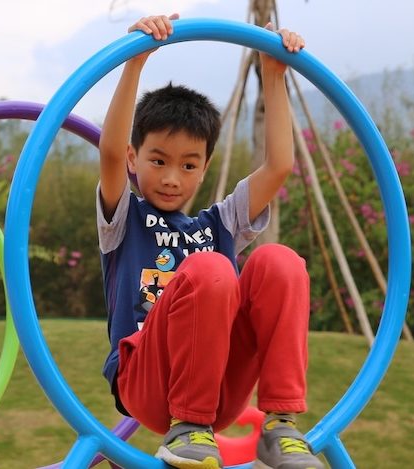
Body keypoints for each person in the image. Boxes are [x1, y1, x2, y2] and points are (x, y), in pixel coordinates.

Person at [96, 13, 324, 469]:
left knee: (279, 262)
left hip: (218, 391)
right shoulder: (125, 217)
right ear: (133, 158)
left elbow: (278, 167)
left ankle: (280, 421)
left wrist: (273, 75)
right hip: (146, 379)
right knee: (212, 268)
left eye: (187, 165)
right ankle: (185, 427)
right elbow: (107, 151)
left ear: (204, 167)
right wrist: (135, 64)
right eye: (158, 160)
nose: (171, 178)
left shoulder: (220, 225)